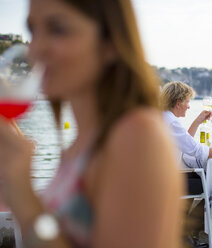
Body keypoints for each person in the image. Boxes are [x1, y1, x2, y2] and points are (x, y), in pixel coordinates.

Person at [0, 0, 183, 247]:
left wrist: (23, 195)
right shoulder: (81, 144)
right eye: (33, 30)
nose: (34, 50)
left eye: (57, 29)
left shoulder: (136, 135)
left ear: (110, 43)